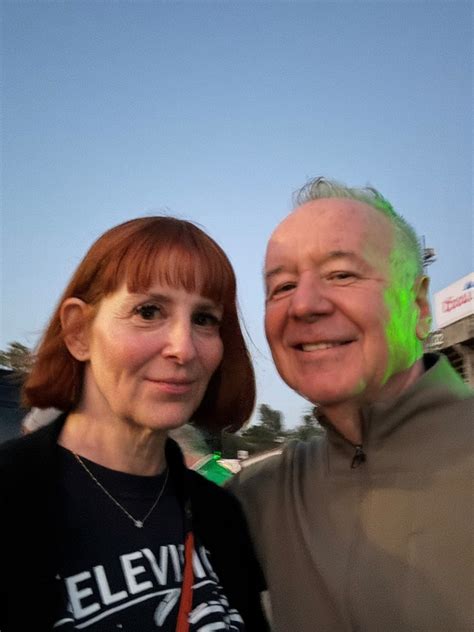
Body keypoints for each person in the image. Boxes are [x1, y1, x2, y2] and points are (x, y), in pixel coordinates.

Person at [0, 217, 268, 632]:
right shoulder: (11, 497)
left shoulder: (220, 515)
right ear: (79, 332)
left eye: (204, 318)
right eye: (148, 311)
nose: (183, 348)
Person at [230, 177, 473, 632]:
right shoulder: (255, 498)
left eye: (341, 274)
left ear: (420, 307)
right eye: (282, 286)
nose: (303, 305)